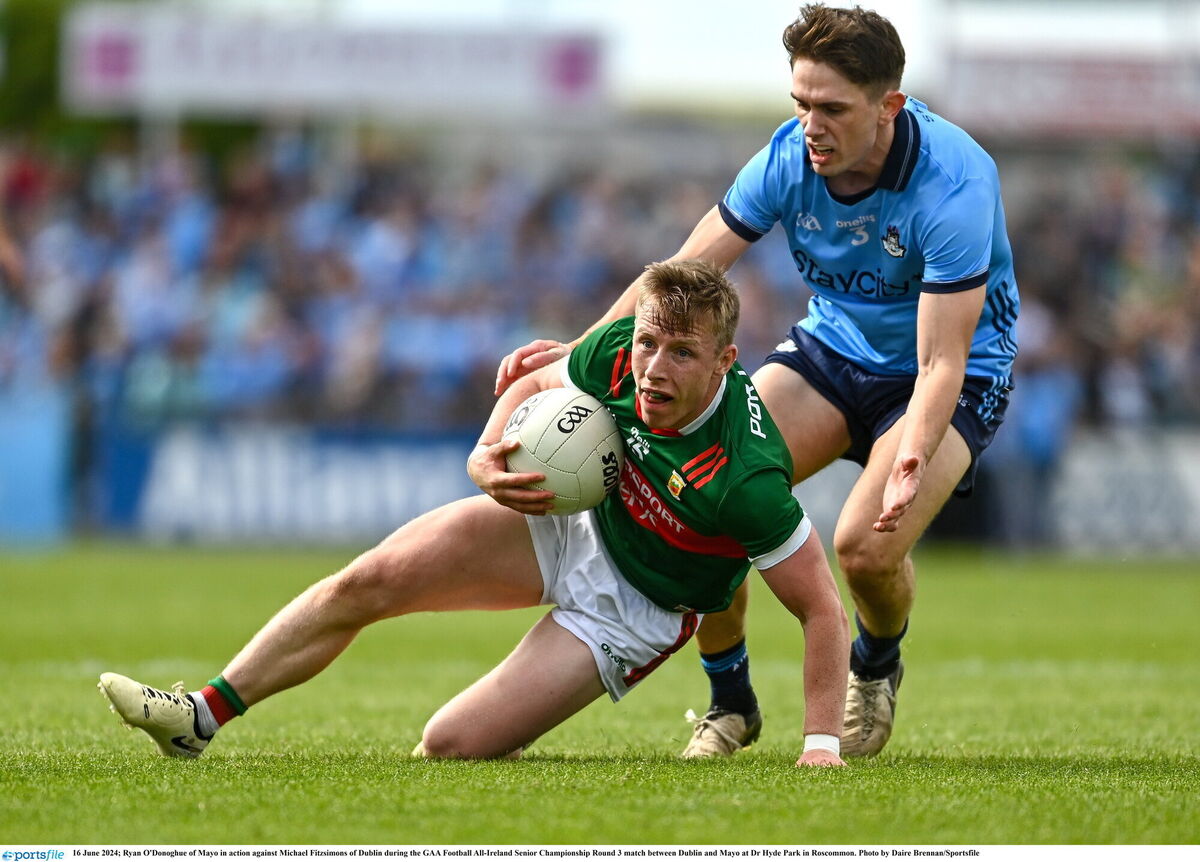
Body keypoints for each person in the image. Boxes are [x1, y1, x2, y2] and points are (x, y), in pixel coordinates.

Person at [496, 4, 1018, 759]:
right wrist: (584, 345)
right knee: (704, 497)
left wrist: (912, 453)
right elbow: (683, 273)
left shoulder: (954, 185)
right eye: (801, 103)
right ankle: (732, 701)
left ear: (889, 107)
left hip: (951, 377)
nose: (812, 126)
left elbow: (941, 362)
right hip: (832, 353)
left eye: (832, 109)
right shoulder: (786, 159)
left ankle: (876, 663)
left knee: (864, 550)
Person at [98, 259, 851, 767]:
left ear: (724, 362)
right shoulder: (622, 351)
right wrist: (486, 454)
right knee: (368, 580)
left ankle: (697, 701)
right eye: (649, 343)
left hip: (635, 605)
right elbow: (536, 385)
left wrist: (821, 745)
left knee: (449, 745)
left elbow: (820, 607)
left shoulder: (747, 479)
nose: (654, 367)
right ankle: (199, 716)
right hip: (572, 516)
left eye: (681, 353)